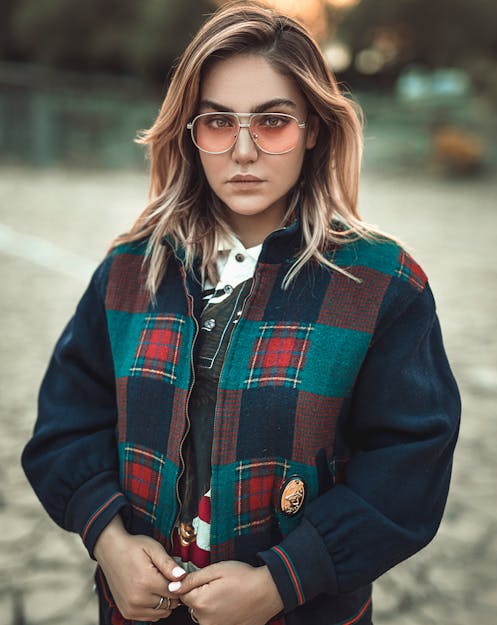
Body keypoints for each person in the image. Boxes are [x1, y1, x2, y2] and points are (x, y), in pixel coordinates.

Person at [21, 2, 461, 624]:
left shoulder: (383, 284)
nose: (245, 150)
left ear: (313, 127)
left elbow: (410, 464)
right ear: (190, 131)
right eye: (219, 121)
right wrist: (109, 540)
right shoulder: (129, 269)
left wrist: (285, 580)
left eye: (274, 121)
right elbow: (64, 425)